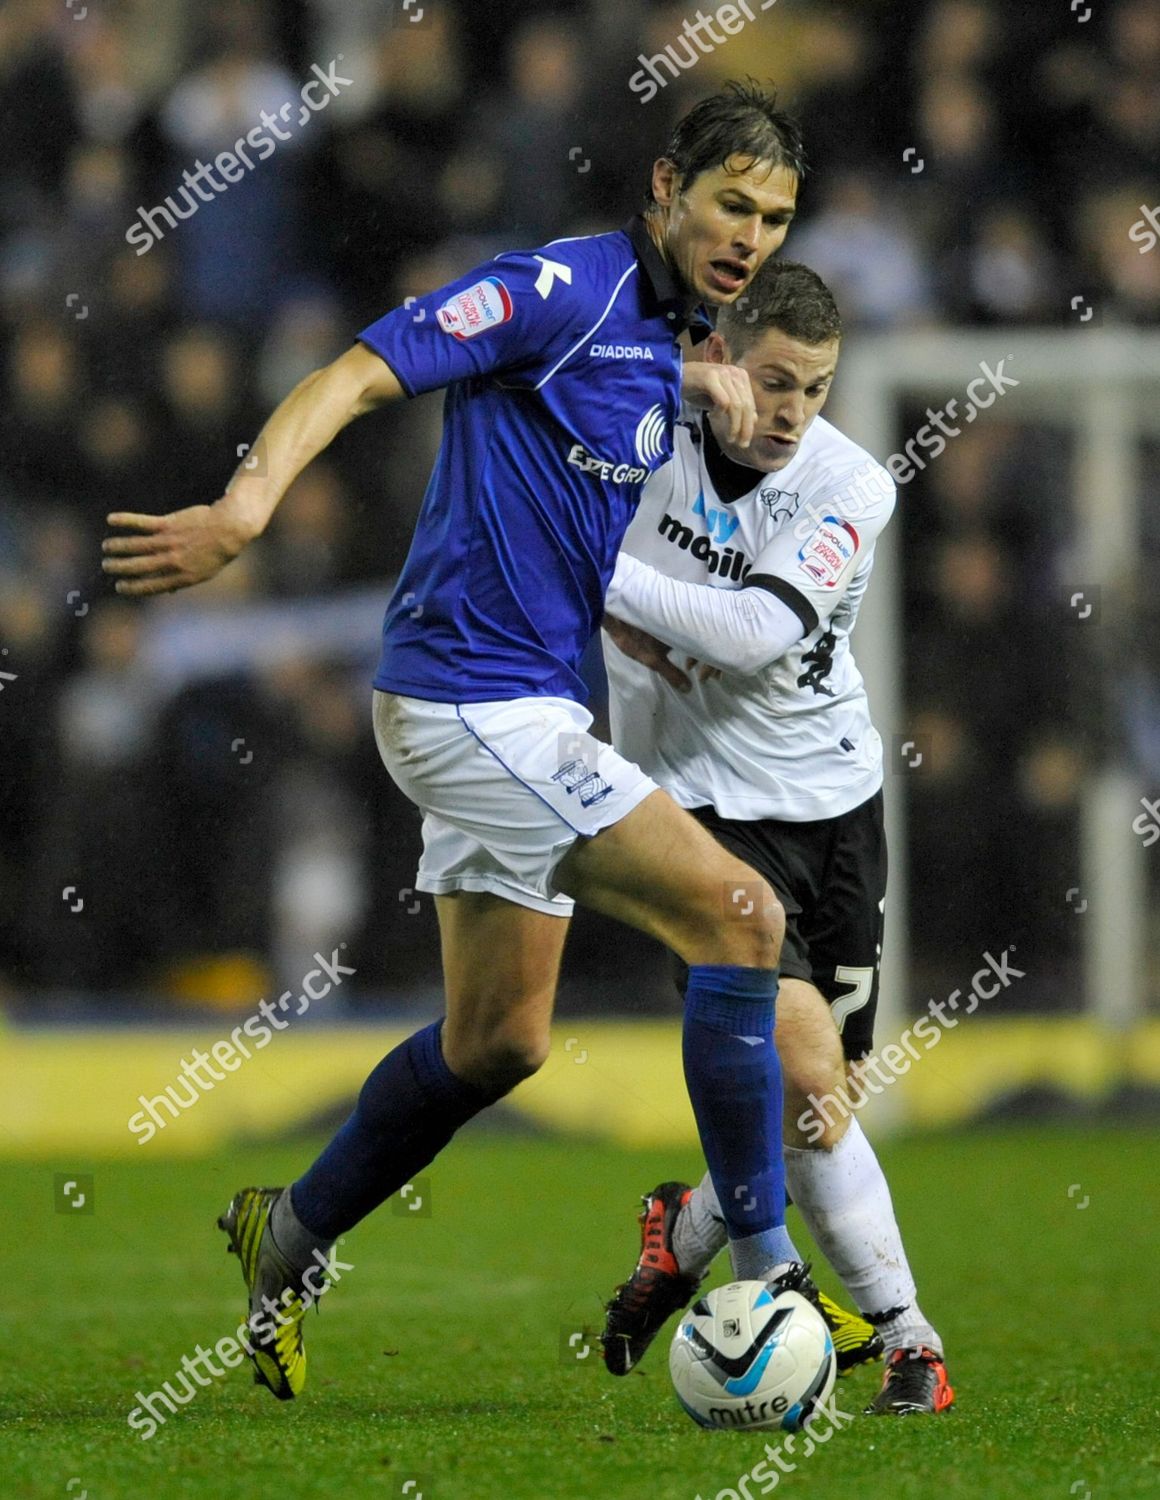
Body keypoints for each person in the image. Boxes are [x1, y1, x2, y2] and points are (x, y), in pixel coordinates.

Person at [101, 82, 813, 1405]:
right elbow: (360, 370)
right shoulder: (558, 289)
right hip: (464, 702)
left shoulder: (675, 345)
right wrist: (248, 504)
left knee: (500, 1041)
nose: (749, 235)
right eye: (730, 203)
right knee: (741, 915)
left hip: (534, 702)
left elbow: (561, 527)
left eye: (772, 216)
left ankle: (289, 1232)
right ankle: (767, 1277)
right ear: (667, 188)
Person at [598, 259, 955, 1416]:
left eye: (815, 386)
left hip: (836, 809)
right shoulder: (644, 437)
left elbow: (753, 631)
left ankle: (686, 1229)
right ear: (719, 358)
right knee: (803, 1077)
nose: (793, 409)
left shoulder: (852, 484)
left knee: (819, 1110)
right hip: (699, 812)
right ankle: (909, 1343)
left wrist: (603, 581)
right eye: (772, 380)